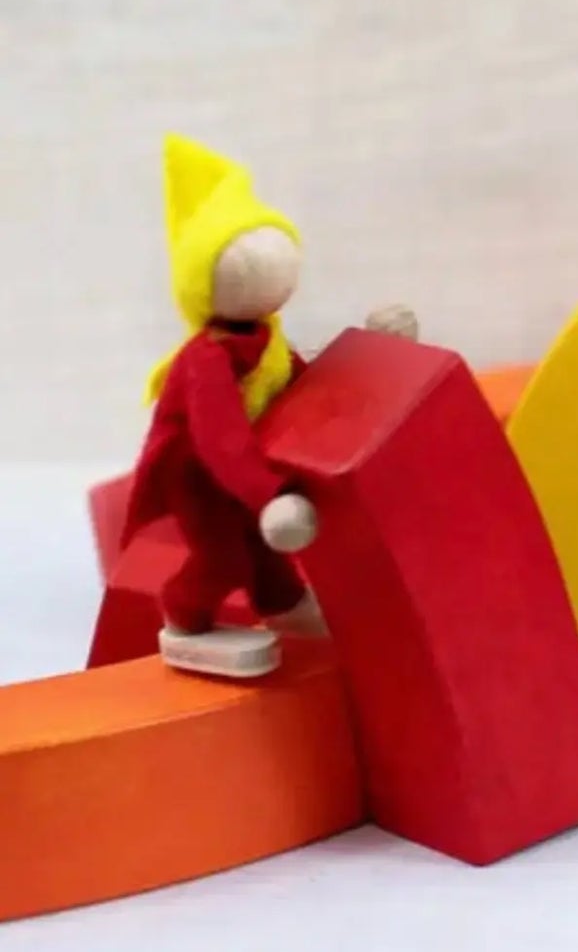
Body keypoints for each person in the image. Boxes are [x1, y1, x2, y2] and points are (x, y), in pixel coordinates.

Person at [121, 134, 416, 678]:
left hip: (248, 472)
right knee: (222, 556)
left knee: (266, 555)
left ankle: (283, 603)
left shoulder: (268, 341)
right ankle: (184, 614)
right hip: (202, 477)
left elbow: (313, 392)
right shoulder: (206, 360)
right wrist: (270, 496)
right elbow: (219, 438)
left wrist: (380, 351)